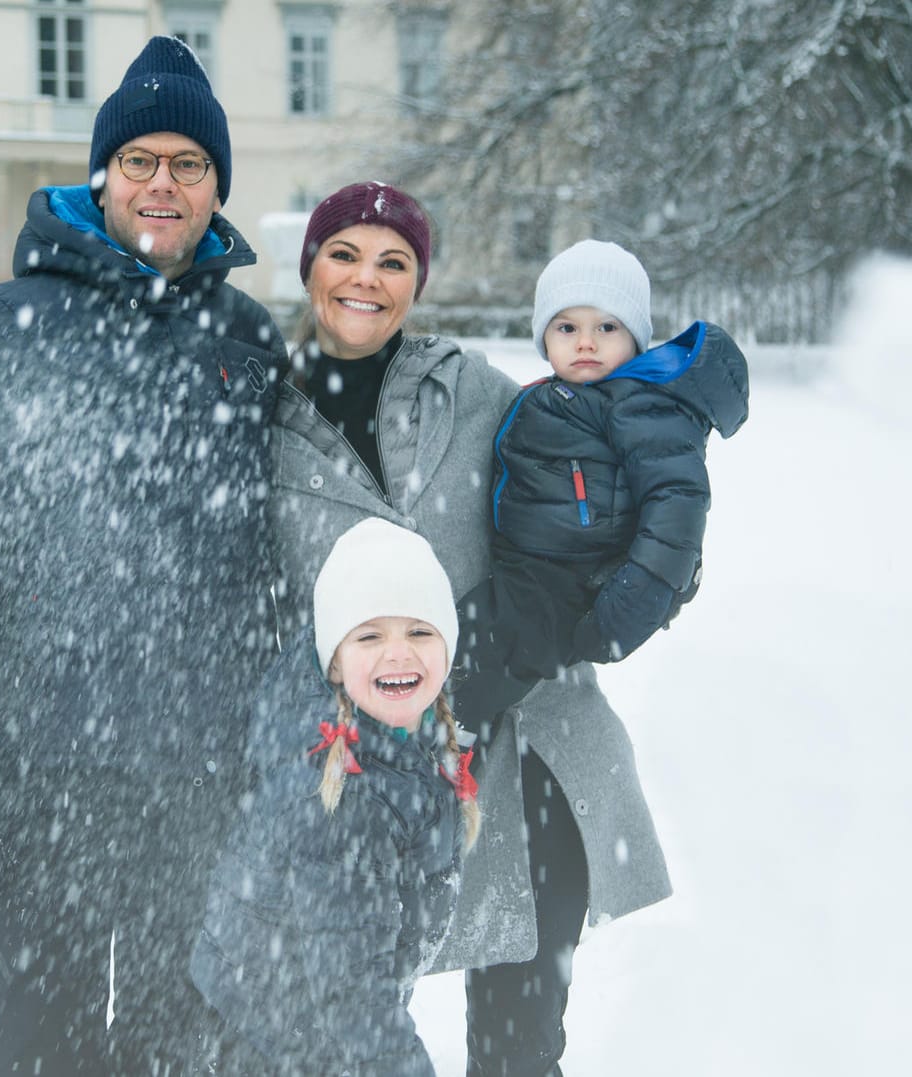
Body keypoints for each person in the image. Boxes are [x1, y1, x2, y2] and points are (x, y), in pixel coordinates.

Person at [0, 35, 286, 1076]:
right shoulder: (2, 331)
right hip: (40, 782)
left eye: (189, 164)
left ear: (216, 187)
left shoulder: (248, 342)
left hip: (203, 793)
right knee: (38, 1054)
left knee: (186, 1054)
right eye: (142, 160)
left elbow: (280, 568)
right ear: (104, 174)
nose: (164, 183)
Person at [263, 182, 671, 1077]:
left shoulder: (479, 393)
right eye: (344, 254)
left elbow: (594, 529)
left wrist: (648, 566)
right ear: (310, 268)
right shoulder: (263, 427)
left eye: (394, 261)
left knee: (518, 1052)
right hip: (357, 779)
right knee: (346, 1041)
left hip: (528, 753)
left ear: (417, 282)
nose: (366, 278)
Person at [190, 517, 480, 1077]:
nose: (398, 653)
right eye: (370, 636)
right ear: (334, 660)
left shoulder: (409, 742)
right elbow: (354, 995)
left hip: (314, 1035)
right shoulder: (343, 795)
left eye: (419, 631)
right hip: (276, 1047)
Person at [456, 239, 750, 717]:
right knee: (454, 632)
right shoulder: (560, 395)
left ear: (635, 339)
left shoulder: (640, 405)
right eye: (567, 326)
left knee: (494, 651)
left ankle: (450, 735)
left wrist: (641, 595)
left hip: (571, 580)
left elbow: (676, 503)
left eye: (607, 327)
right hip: (524, 567)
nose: (586, 341)